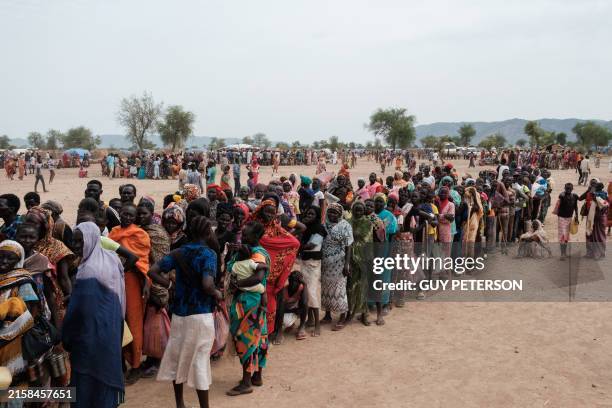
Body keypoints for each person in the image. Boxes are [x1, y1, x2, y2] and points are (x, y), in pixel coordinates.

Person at [149, 216, 221, 408]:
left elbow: (153, 271)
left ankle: (180, 403)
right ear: (207, 233)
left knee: (177, 357)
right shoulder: (209, 254)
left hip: (179, 315)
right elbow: (207, 284)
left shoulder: (178, 252)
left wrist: (170, 284)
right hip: (201, 314)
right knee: (200, 361)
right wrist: (217, 292)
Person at [62, 222, 126, 408]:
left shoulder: (88, 271)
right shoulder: (111, 259)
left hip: (90, 337)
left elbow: (79, 312)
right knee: (105, 376)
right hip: (112, 329)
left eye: (80, 241)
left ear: (91, 240)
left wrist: (67, 337)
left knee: (87, 383)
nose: (75, 245)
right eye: (73, 241)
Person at [108, 203, 151, 384]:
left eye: (131, 216)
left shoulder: (140, 234)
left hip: (133, 280)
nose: (127, 218)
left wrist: (145, 282)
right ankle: (120, 363)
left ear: (136, 218)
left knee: (133, 321)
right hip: (114, 280)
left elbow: (142, 260)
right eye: (124, 214)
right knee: (117, 321)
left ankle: (136, 365)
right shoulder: (114, 232)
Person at [227, 221, 269, 396]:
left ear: (257, 237)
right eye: (242, 234)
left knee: (246, 339)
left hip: (248, 301)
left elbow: (258, 277)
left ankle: (246, 382)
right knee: (259, 338)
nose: (242, 237)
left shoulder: (256, 254)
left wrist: (238, 284)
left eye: (246, 235)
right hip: (259, 300)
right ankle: (257, 376)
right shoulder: (260, 252)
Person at [294, 205, 326, 336]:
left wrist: (297, 246)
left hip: (313, 263)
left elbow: (311, 245)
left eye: (312, 215)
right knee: (306, 290)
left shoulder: (319, 229)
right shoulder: (305, 228)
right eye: (307, 214)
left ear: (317, 216)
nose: (309, 217)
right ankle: (311, 320)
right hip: (305, 261)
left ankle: (317, 325)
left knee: (311, 292)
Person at [321, 202, 353, 330]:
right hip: (326, 263)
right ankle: (327, 315)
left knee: (339, 289)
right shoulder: (325, 224)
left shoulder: (345, 226)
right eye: (330, 212)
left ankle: (342, 317)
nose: (332, 214)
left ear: (340, 214)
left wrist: (347, 264)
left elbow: (348, 245)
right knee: (326, 288)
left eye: (335, 212)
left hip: (339, 263)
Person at [347, 201, 373, 326]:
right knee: (350, 287)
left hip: (363, 258)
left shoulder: (368, 223)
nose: (358, 212)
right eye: (355, 210)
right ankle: (349, 312)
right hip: (349, 258)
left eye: (360, 210)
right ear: (352, 210)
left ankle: (364, 314)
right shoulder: (347, 222)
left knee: (363, 286)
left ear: (363, 211)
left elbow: (368, 241)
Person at [555, 183, 579, 260]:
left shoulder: (574, 196)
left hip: (569, 218)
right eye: (567, 189)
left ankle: (564, 253)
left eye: (569, 189)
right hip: (562, 218)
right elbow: (558, 204)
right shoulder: (562, 196)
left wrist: (577, 217)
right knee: (562, 235)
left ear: (572, 189)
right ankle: (562, 254)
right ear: (564, 189)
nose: (568, 190)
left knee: (566, 236)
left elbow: (576, 207)